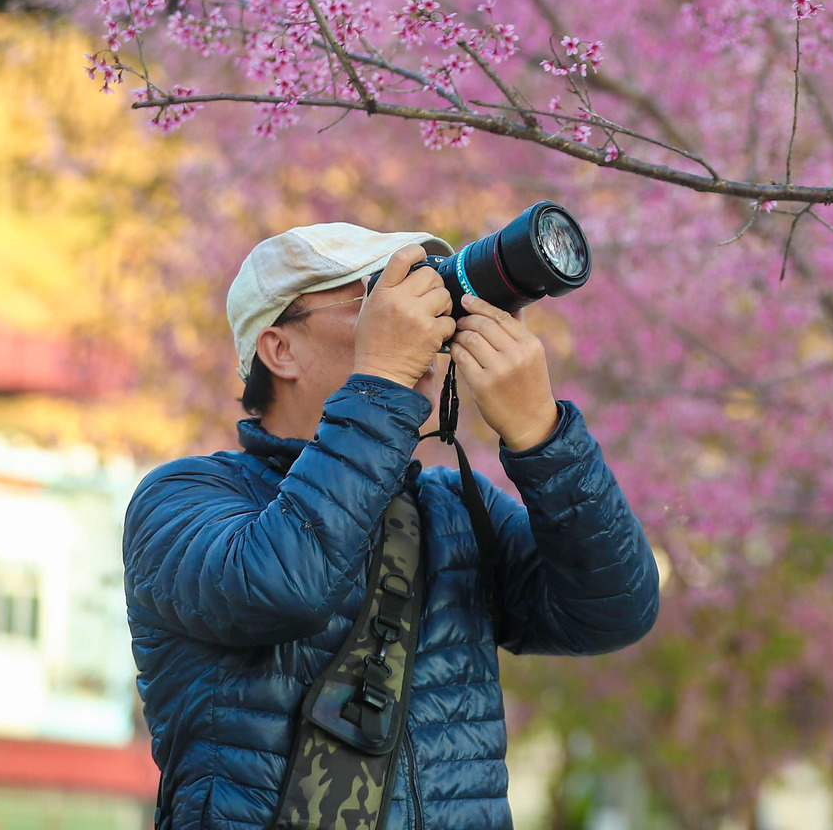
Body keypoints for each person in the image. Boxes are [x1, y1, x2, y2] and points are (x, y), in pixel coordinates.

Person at [122, 224, 659, 830]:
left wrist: (543, 437)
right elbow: (283, 587)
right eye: (376, 299)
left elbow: (614, 611)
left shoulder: (453, 510)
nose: (418, 323)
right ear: (280, 349)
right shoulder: (184, 498)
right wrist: (381, 380)